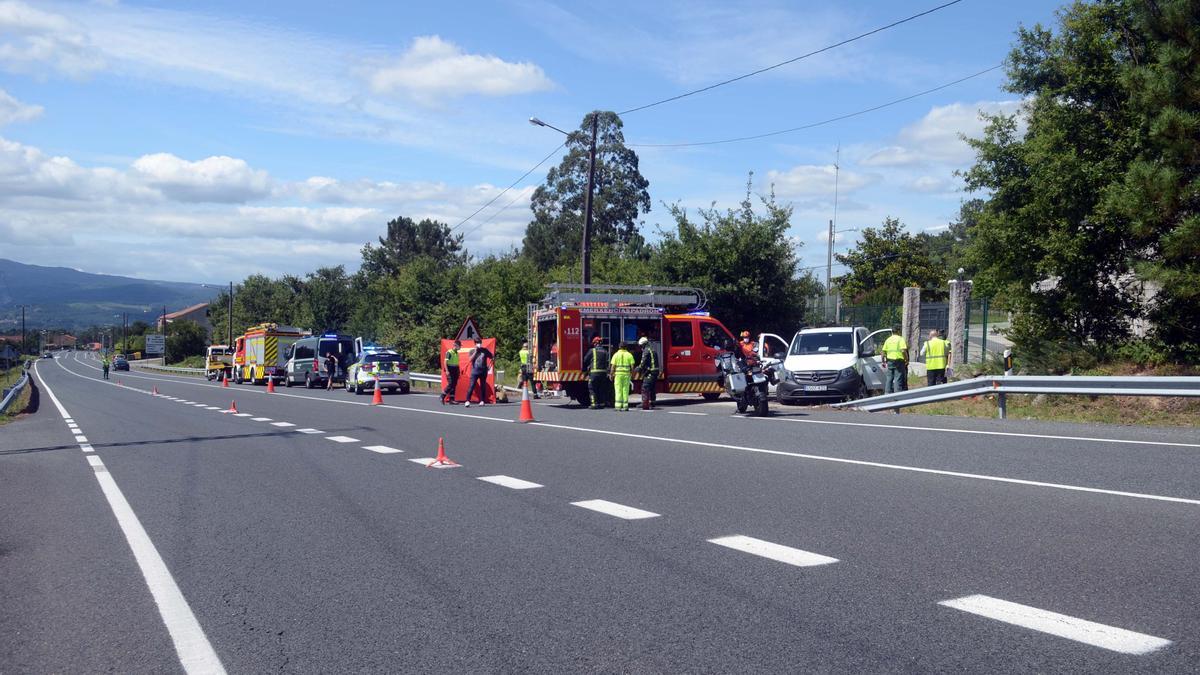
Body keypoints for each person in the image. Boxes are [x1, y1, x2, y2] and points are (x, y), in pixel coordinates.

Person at [582, 336, 610, 409]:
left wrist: (585, 370)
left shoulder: (592, 351)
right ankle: (601, 403)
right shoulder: (605, 351)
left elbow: (585, 360)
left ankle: (594, 404)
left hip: (594, 373)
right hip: (603, 373)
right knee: (601, 389)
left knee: (592, 388)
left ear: (595, 343)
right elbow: (608, 362)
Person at [881, 325, 909, 394]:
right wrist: (906, 359)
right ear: (899, 331)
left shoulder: (888, 339)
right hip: (899, 361)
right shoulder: (900, 339)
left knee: (889, 378)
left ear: (892, 331)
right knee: (897, 378)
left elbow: (883, 352)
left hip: (890, 361)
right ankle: (897, 394)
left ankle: (887, 394)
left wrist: (883, 362)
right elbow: (903, 351)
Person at [464, 342, 493, 407]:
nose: (479, 344)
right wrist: (476, 351)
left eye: (480, 343)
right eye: (477, 343)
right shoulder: (472, 351)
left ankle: (482, 401)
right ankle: (467, 401)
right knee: (472, 385)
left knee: (483, 386)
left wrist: (489, 366)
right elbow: (470, 359)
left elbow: (492, 357)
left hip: (483, 371)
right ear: (475, 343)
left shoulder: (485, 350)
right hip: (475, 371)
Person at [610, 342, 635, 411]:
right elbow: (632, 366)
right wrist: (632, 374)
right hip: (626, 375)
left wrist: (611, 374)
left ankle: (618, 406)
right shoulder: (629, 355)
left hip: (618, 375)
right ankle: (625, 406)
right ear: (626, 347)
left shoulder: (616, 355)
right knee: (625, 390)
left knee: (618, 390)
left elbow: (613, 366)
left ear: (619, 347)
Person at [636, 336, 659, 410]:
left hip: (650, 372)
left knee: (645, 387)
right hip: (655, 371)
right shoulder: (653, 350)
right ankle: (653, 402)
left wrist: (638, 369)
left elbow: (643, 362)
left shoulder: (646, 351)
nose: (640, 347)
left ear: (643, 344)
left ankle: (645, 403)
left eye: (640, 346)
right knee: (652, 388)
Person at [441, 340, 461, 404]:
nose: (460, 347)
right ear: (456, 345)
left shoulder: (457, 353)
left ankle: (452, 399)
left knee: (454, 384)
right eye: (459, 346)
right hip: (450, 369)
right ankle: (442, 395)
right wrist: (447, 370)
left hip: (455, 370)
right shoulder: (449, 352)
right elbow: (445, 362)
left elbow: (457, 363)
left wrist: (458, 371)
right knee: (451, 383)